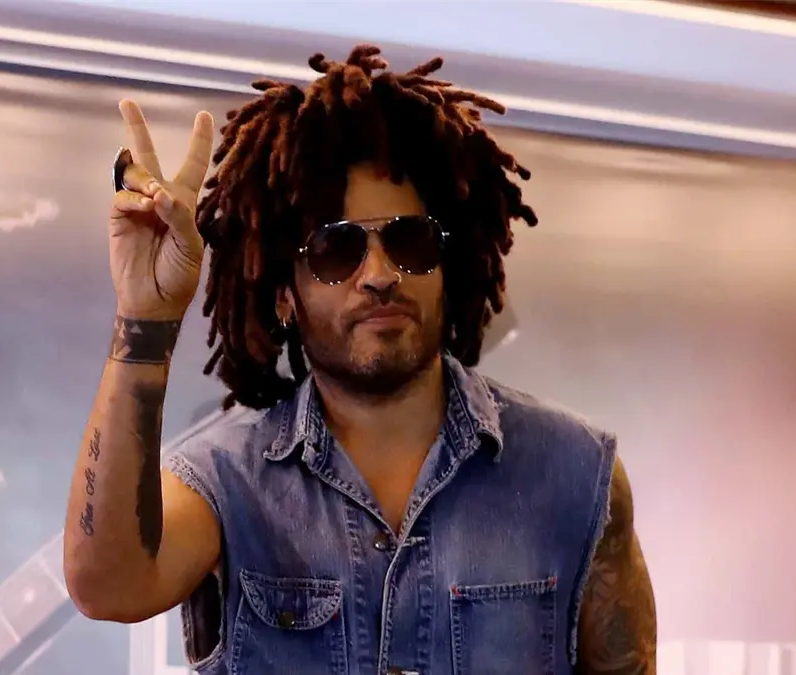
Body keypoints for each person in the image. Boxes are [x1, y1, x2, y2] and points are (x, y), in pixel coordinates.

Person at [63, 44, 656, 675]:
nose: (378, 274)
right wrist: (146, 317)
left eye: (410, 240)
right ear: (285, 295)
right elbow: (107, 587)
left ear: (448, 267)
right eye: (335, 250)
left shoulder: (575, 471)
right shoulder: (226, 477)